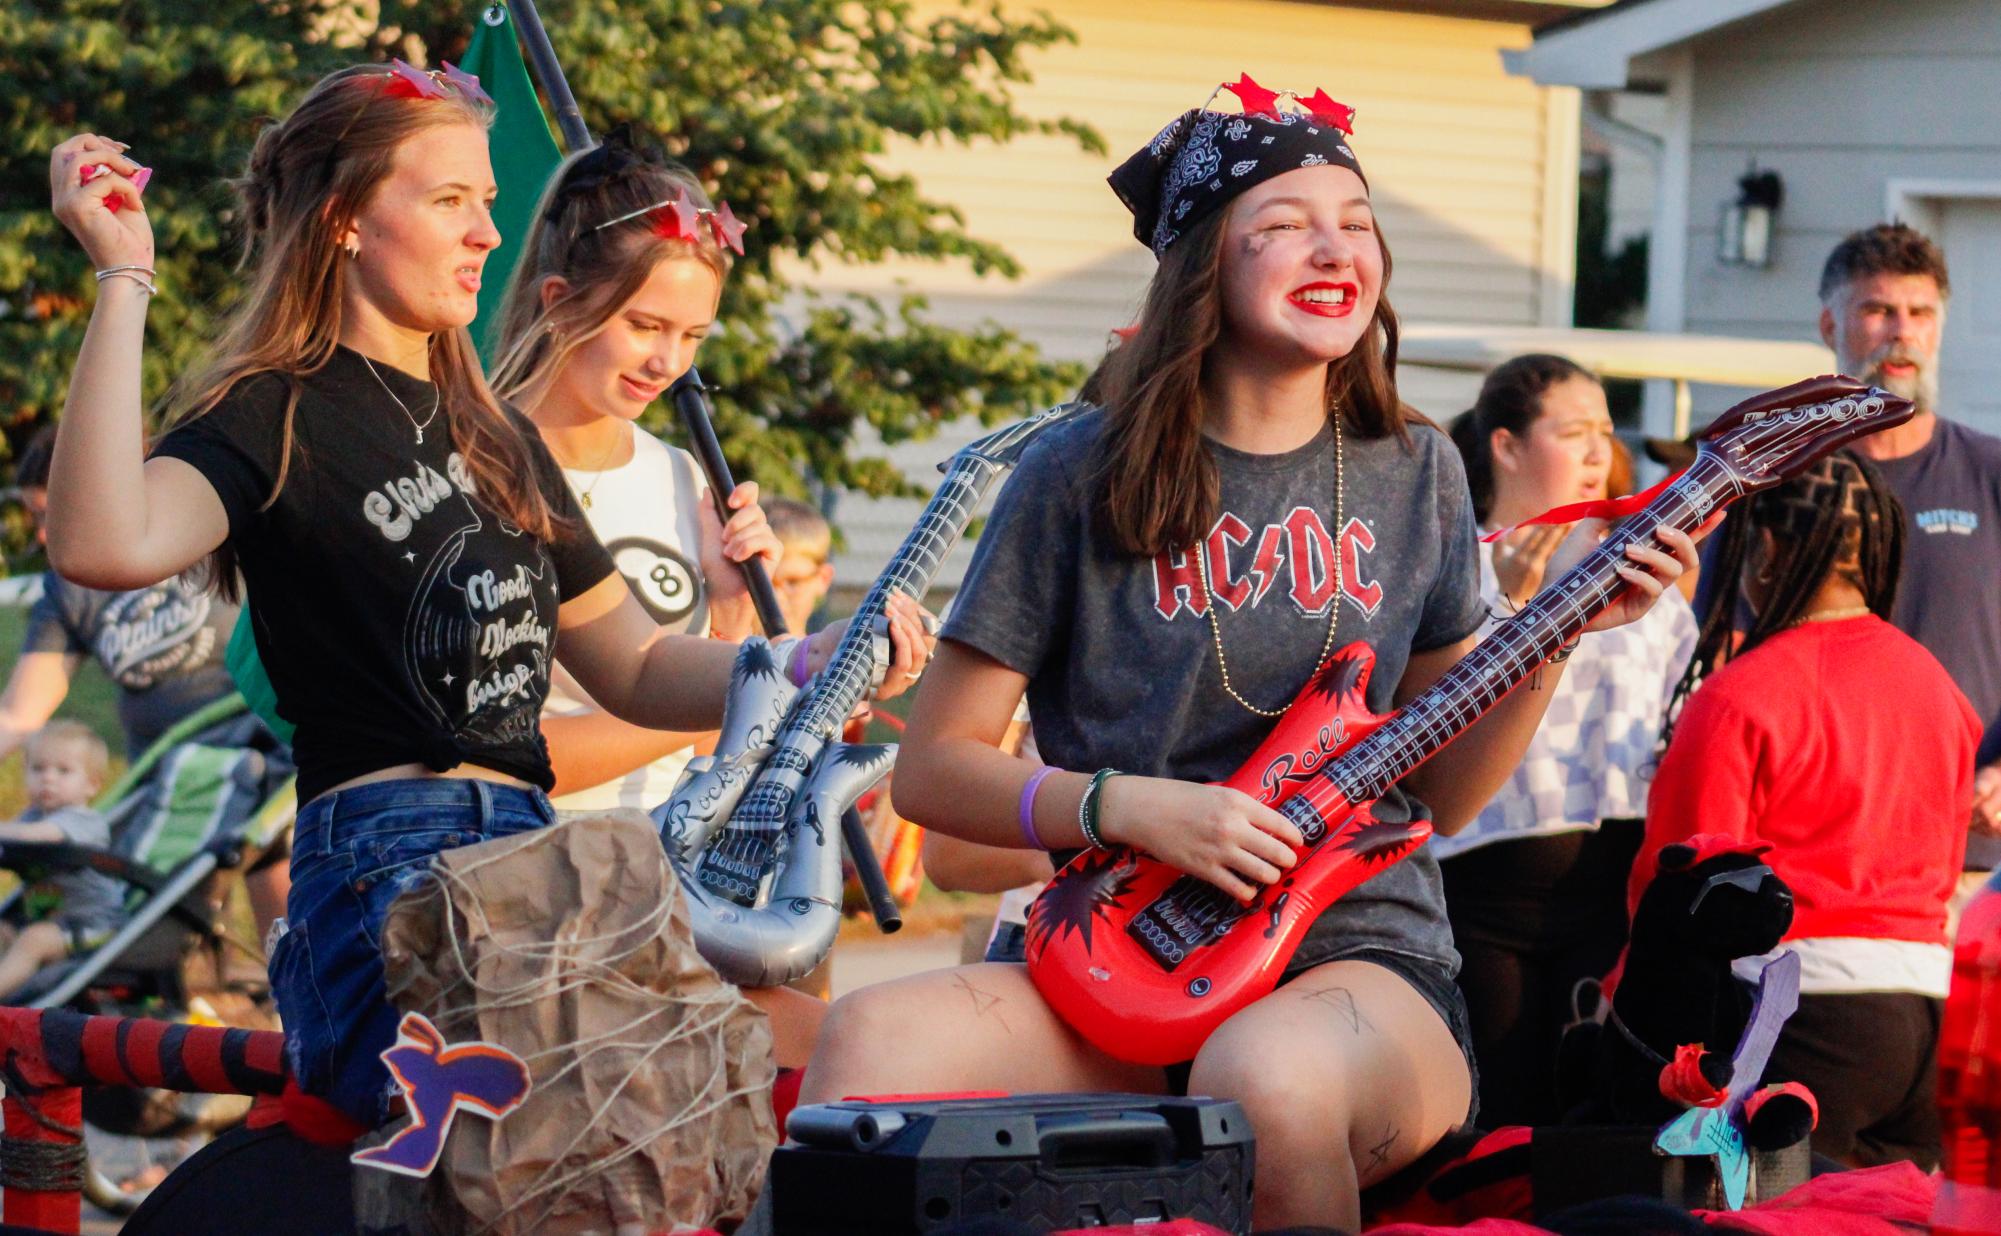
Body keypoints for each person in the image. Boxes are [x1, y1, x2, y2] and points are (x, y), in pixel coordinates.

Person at [799, 77, 1697, 1230]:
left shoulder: (1412, 466)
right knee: (871, 1038)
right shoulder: (1073, 473)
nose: (1334, 248)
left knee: (1264, 1081)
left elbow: (1444, 795)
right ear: (1200, 267)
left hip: (1356, 967)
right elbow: (935, 771)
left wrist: (1557, 641)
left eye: (1356, 223)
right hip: (1113, 956)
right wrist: (1129, 808)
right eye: (1282, 225)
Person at [43, 64, 929, 1127]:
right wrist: (122, 276)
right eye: (449, 200)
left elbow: (640, 667)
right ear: (344, 221)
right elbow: (102, 542)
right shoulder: (270, 411)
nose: (485, 236)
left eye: (490, 207)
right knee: (579, 1134)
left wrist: (804, 657)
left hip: (539, 857)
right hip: (389, 864)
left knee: (814, 1065)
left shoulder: (492, 433)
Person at [1638, 449, 1976, 1169]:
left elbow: (1685, 882)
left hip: (1798, 1012)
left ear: (1761, 547)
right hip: (1927, 1010)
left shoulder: (1741, 695)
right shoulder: (1938, 685)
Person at [1439, 354, 1697, 1127]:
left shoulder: (1643, 564)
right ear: (1507, 446)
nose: (1597, 452)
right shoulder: (1456, 566)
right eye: (1573, 431)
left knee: (1586, 1116)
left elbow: (1678, 711)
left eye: (1605, 433)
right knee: (1497, 1115)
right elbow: (1424, 714)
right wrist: (1508, 605)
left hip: (1606, 888)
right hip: (1484, 889)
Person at [1815, 224, 2001, 885]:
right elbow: (1724, 648)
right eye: (1876, 310)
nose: (1901, 332)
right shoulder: (1782, 486)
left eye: (1919, 313)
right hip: (1817, 855)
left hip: (1968, 857)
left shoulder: (1989, 471)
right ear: (1828, 323)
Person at [1, 429, 240, 762]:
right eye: (36, 517)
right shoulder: (68, 589)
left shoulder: (205, 525)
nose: (42, 535)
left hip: (257, 757)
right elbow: (19, 714)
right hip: (159, 776)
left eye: (50, 514)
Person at [0, 721, 125, 999]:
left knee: (35, 940)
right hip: (43, 916)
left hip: (93, 926)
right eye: (38, 769)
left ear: (91, 785)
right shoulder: (31, 817)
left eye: (63, 771)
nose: (48, 778)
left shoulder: (83, 822)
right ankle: (15, 998)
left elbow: (41, 836)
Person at [765, 497, 836, 636]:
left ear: (823, 579)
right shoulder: (721, 652)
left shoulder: (833, 657)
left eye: (792, 582)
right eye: (764, 582)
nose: (776, 596)